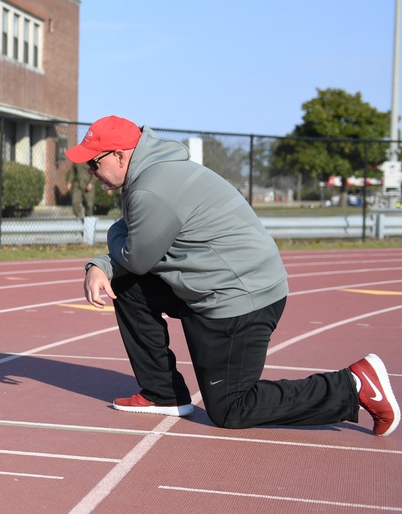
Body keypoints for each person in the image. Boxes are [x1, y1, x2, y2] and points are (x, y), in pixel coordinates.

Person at [69, 115, 398, 436]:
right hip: (217, 285)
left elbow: (136, 256)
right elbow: (134, 242)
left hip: (240, 299)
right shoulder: (154, 174)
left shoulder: (150, 190)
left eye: (93, 163)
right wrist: (104, 263)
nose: (90, 172)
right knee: (125, 285)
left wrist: (105, 252)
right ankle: (163, 392)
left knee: (231, 409)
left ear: (119, 156)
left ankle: (353, 386)